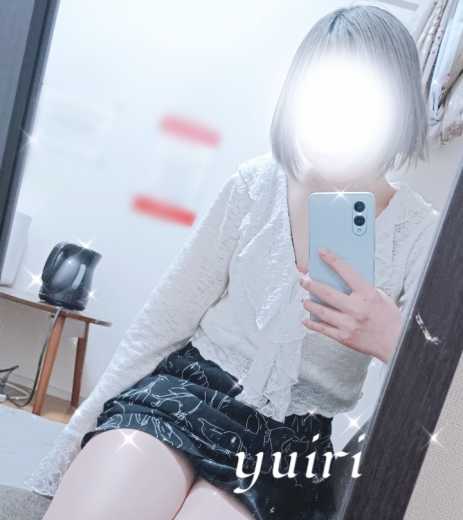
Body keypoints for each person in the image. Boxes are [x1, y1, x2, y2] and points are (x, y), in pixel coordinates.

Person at [27, 6, 440, 520]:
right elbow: (163, 322)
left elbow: (442, 392)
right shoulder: (257, 183)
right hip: (185, 394)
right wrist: (73, 440)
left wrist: (391, 338)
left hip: (288, 447)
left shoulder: (420, 233)